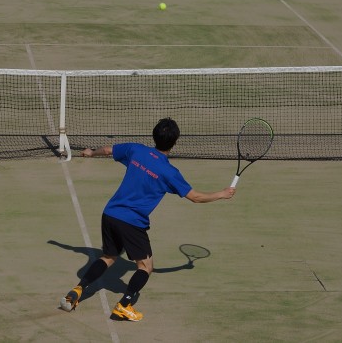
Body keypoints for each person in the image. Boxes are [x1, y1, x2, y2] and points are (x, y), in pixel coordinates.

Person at [59, 117, 236, 322]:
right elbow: (195, 197)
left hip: (110, 213)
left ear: (154, 135)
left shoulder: (136, 150)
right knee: (145, 267)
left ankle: (77, 290)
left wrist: (91, 152)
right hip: (132, 222)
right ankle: (123, 306)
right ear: (174, 142)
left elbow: (107, 150)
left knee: (108, 257)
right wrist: (222, 194)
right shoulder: (170, 172)